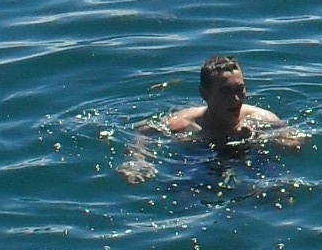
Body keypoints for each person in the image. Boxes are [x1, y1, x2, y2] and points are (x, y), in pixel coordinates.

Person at [123, 54, 304, 178]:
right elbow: (142, 131)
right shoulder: (184, 124)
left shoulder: (261, 120)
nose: (235, 99)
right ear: (204, 94)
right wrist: (137, 161)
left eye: (239, 90)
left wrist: (261, 138)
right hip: (198, 160)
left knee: (277, 193)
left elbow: (293, 146)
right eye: (225, 92)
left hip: (249, 160)